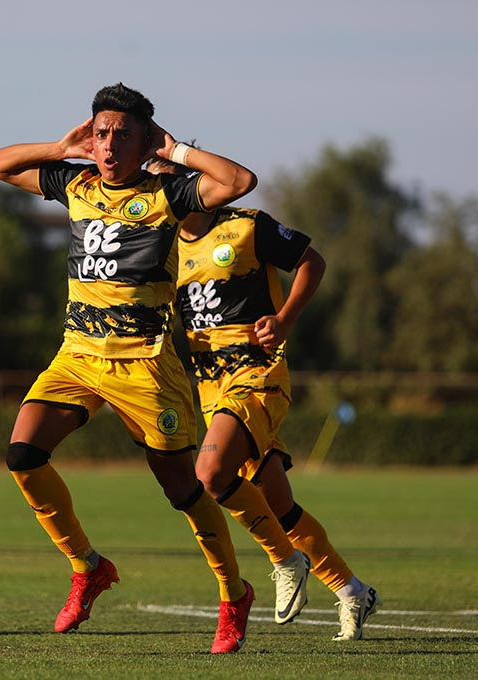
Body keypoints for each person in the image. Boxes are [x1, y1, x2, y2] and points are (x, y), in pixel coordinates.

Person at [0, 83, 260, 653]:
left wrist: (177, 150)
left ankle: (234, 594)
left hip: (145, 365)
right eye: (101, 133)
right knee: (22, 454)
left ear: (144, 142)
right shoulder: (76, 183)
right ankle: (88, 567)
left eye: (121, 136)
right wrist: (61, 148)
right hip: (78, 355)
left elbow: (239, 182)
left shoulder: (170, 193)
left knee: (183, 489)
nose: (108, 145)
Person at [148, 156, 381, 640]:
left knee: (211, 474)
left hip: (257, 374)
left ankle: (285, 561)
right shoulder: (162, 249)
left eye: (166, 184)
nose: (158, 196)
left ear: (190, 187)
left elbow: (312, 261)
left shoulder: (245, 226)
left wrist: (285, 319)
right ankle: (351, 590)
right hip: (210, 389)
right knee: (279, 507)